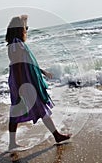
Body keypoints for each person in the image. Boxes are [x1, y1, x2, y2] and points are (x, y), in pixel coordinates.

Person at [6, 15, 71, 151]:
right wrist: (20, 87)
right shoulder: (16, 44)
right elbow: (17, 67)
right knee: (35, 107)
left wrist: (42, 71)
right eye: (25, 27)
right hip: (23, 82)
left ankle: (13, 143)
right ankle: (56, 135)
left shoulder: (15, 43)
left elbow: (26, 63)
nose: (26, 30)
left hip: (23, 81)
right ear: (19, 29)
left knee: (20, 110)